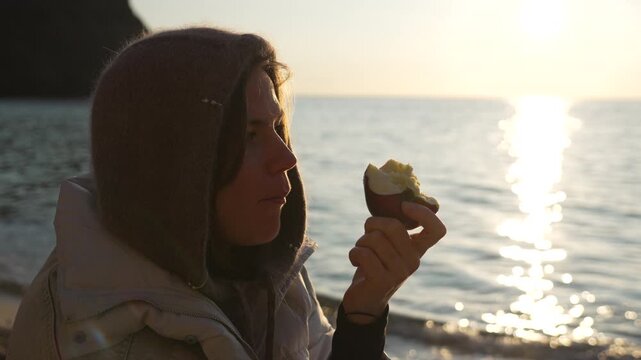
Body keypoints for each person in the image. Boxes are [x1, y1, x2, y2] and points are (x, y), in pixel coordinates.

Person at [6, 27, 446, 359]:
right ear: (168, 161)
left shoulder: (265, 267)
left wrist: (362, 317)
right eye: (247, 134)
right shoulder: (100, 341)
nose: (287, 158)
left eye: (277, 128)